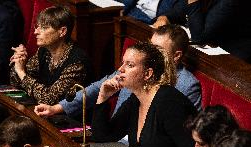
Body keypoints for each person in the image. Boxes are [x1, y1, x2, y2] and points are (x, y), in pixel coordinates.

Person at [92, 41, 203, 147]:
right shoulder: (135, 100)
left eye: (130, 65)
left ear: (148, 74)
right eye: (123, 63)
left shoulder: (169, 102)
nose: (121, 69)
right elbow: (103, 136)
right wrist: (103, 97)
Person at [34, 24, 201, 119]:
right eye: (150, 46)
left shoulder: (187, 84)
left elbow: (184, 128)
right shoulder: (135, 67)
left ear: (176, 55)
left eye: (157, 49)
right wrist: (57, 108)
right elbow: (95, 89)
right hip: (116, 139)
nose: (150, 52)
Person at [10, 5, 91, 105]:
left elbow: (49, 99)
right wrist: (19, 62)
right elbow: (16, 83)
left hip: (71, 118)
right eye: (37, 27)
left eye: (44, 28)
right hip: (46, 113)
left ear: (62, 31)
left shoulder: (77, 62)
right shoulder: (44, 51)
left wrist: (21, 71)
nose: (35, 32)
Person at [153, 0, 251, 63]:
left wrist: (193, 2)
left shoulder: (230, 2)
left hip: (232, 57)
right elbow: (178, 11)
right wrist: (164, 17)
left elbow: (199, 37)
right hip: (209, 47)